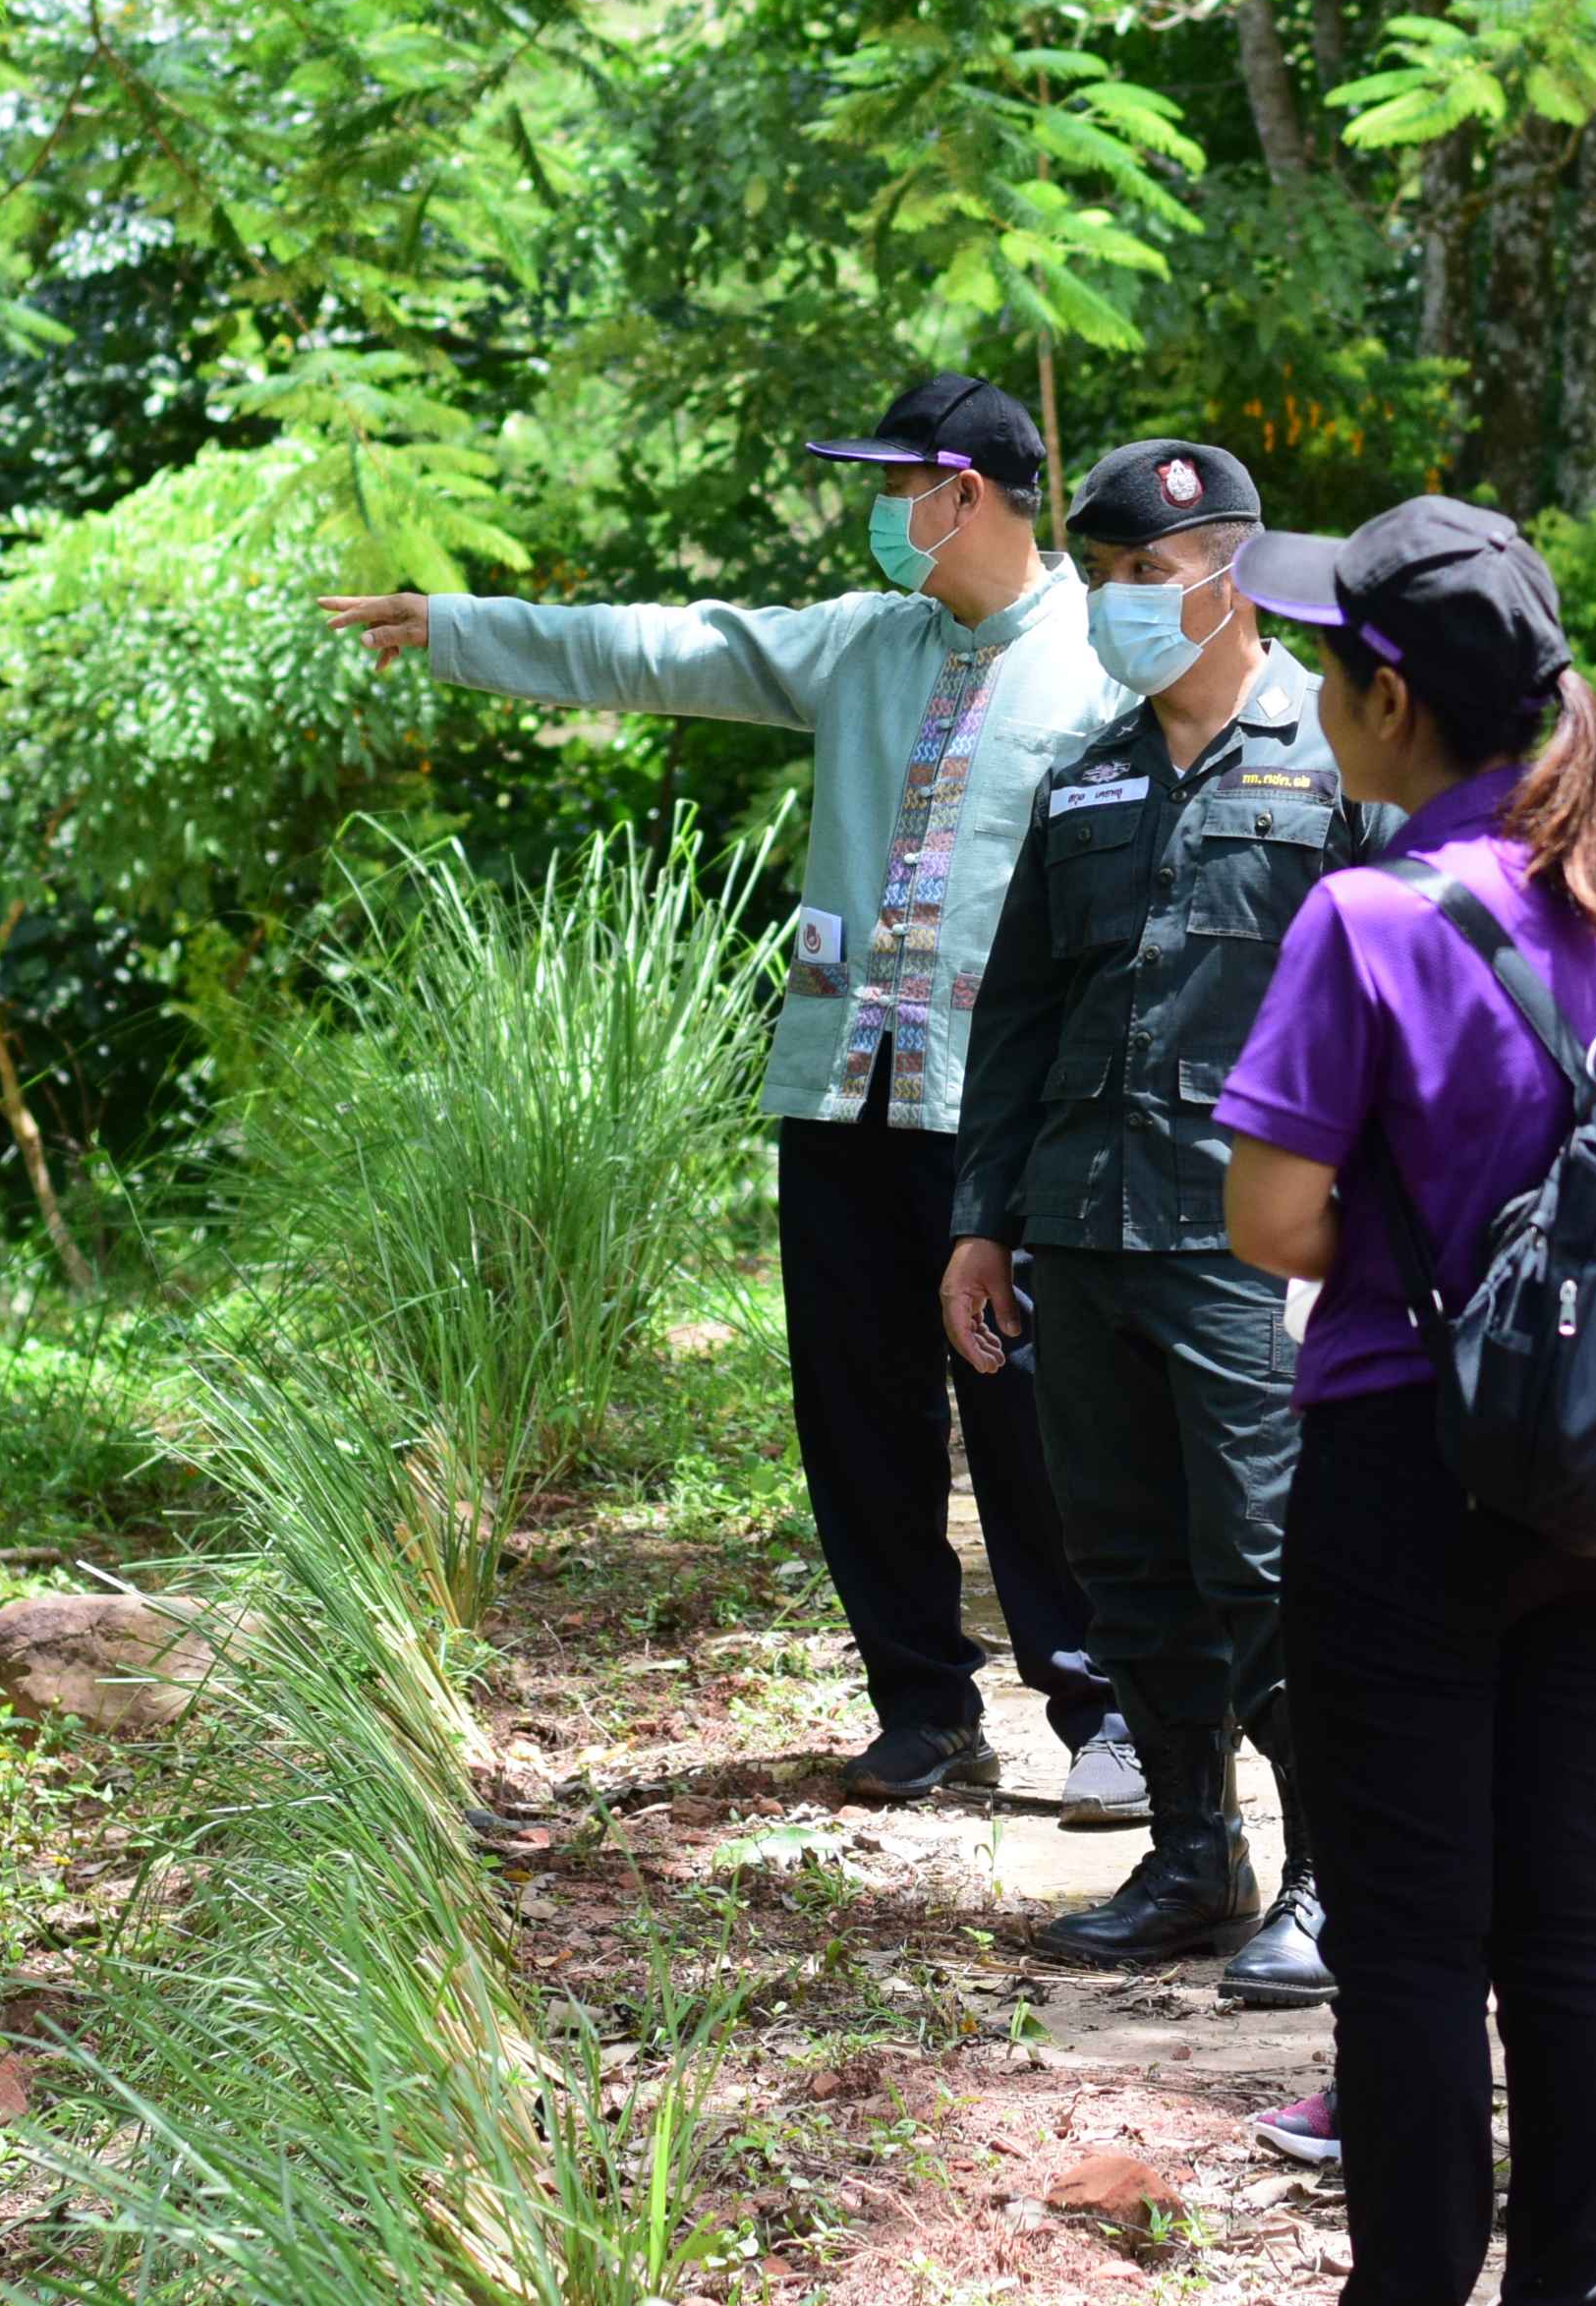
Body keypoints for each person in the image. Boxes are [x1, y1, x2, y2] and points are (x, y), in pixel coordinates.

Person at [318, 374, 1124, 1807]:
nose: (882, 515)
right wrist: (456, 630)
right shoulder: (865, 645)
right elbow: (667, 648)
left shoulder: (1101, 660)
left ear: (968, 490)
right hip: (839, 1093)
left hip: (996, 1114)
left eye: (897, 487)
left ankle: (1104, 1710)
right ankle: (925, 1706)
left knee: (1032, 1415)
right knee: (857, 1412)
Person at [1211, 496, 1596, 2306]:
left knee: (1415, 1950)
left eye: (1327, 664)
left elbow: (1271, 1217)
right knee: (1570, 1925)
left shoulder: (1369, 916)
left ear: (1384, 698)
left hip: (1399, 1474)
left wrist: (1420, 1231)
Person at [946, 439, 1386, 2005]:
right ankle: (1196, 1854)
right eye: (1113, 577)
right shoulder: (1089, 776)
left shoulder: (1338, 764)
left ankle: (1340, 1875)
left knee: (1266, 1561)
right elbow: (1019, 1014)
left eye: (1148, 576)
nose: (1125, 604)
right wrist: (982, 1218)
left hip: (1252, 1249)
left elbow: (1405, 1004)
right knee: (1127, 1558)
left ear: (1231, 573)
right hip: (1081, 1225)